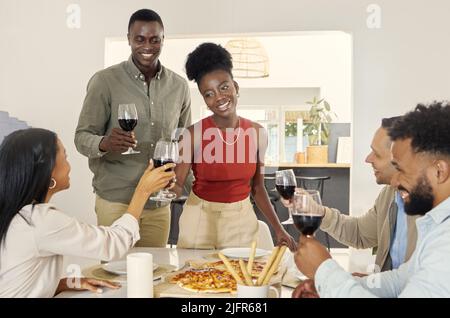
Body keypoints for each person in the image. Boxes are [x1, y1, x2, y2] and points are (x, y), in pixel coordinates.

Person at [294, 102, 450, 297]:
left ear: (439, 171)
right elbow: (399, 280)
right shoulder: (436, 225)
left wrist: (325, 271)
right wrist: (342, 283)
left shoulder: (445, 242)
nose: (396, 180)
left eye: (400, 169)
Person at [0, 128, 175, 297]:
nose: (69, 166)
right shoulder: (40, 221)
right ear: (48, 170)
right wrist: (143, 191)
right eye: (65, 157)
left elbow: (13, 282)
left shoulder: (18, 216)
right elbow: (113, 244)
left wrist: (64, 284)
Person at [74, 9, 191, 247]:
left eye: (154, 39)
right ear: (129, 38)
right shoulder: (105, 81)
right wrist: (104, 143)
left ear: (162, 40)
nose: (147, 46)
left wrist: (180, 183)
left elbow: (184, 142)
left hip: (158, 203)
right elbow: (81, 137)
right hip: (116, 200)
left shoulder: (179, 86)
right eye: (140, 39)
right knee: (115, 274)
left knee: (153, 274)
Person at [173, 43, 296, 251]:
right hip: (199, 218)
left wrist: (279, 229)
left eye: (224, 87)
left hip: (241, 219)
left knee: (241, 278)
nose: (219, 97)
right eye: (209, 94)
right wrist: (164, 188)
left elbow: (257, 188)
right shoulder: (192, 134)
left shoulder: (258, 133)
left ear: (235, 87)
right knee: (193, 278)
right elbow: (177, 186)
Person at [285, 117, 418, 272]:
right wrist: (318, 211)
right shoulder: (389, 195)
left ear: (400, 157)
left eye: (377, 154)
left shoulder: (432, 212)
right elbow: (359, 233)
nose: (368, 159)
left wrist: (326, 271)